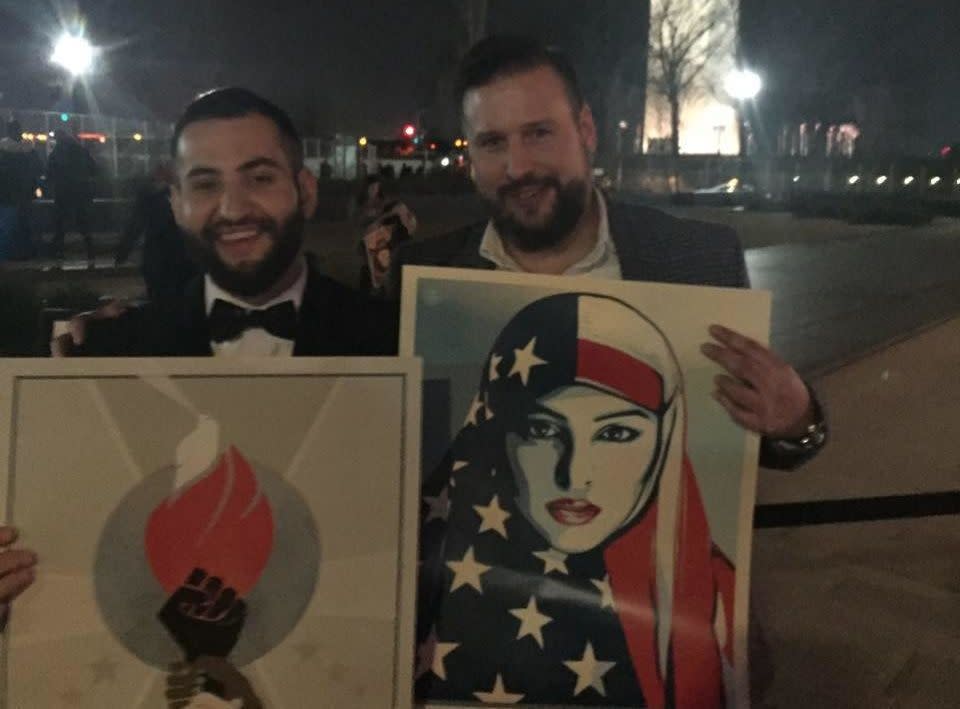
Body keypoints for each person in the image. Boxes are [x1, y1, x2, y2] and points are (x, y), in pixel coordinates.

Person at [392, 36, 827, 470]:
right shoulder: (420, 279)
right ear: (470, 156)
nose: (518, 166)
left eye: (539, 133)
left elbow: (739, 448)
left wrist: (798, 421)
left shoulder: (700, 260)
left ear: (586, 130)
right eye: (492, 143)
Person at [417, 293, 734, 706]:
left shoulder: (717, 601)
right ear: (497, 429)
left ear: (665, 441)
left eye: (616, 434)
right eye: (543, 431)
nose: (575, 476)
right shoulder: (421, 568)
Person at [53, 87, 393, 357]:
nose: (232, 210)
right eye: (205, 184)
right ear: (176, 204)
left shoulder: (396, 342)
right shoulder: (117, 352)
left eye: (260, 178)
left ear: (305, 192)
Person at [114, 163, 199, 303]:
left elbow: (135, 225)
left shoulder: (149, 198)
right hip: (176, 255)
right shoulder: (181, 197)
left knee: (161, 297)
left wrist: (123, 251)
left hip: (160, 255)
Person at [47, 127, 98, 267]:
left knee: (60, 224)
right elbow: (94, 169)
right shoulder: (81, 151)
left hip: (63, 191)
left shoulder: (56, 153)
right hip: (82, 191)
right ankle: (91, 252)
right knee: (84, 223)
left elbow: (50, 173)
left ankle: (59, 253)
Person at [0, 120, 42, 260]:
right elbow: (38, 168)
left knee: (6, 228)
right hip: (26, 194)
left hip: (7, 194)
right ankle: (26, 254)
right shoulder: (29, 149)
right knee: (26, 227)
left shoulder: (2, 148)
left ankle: (5, 257)